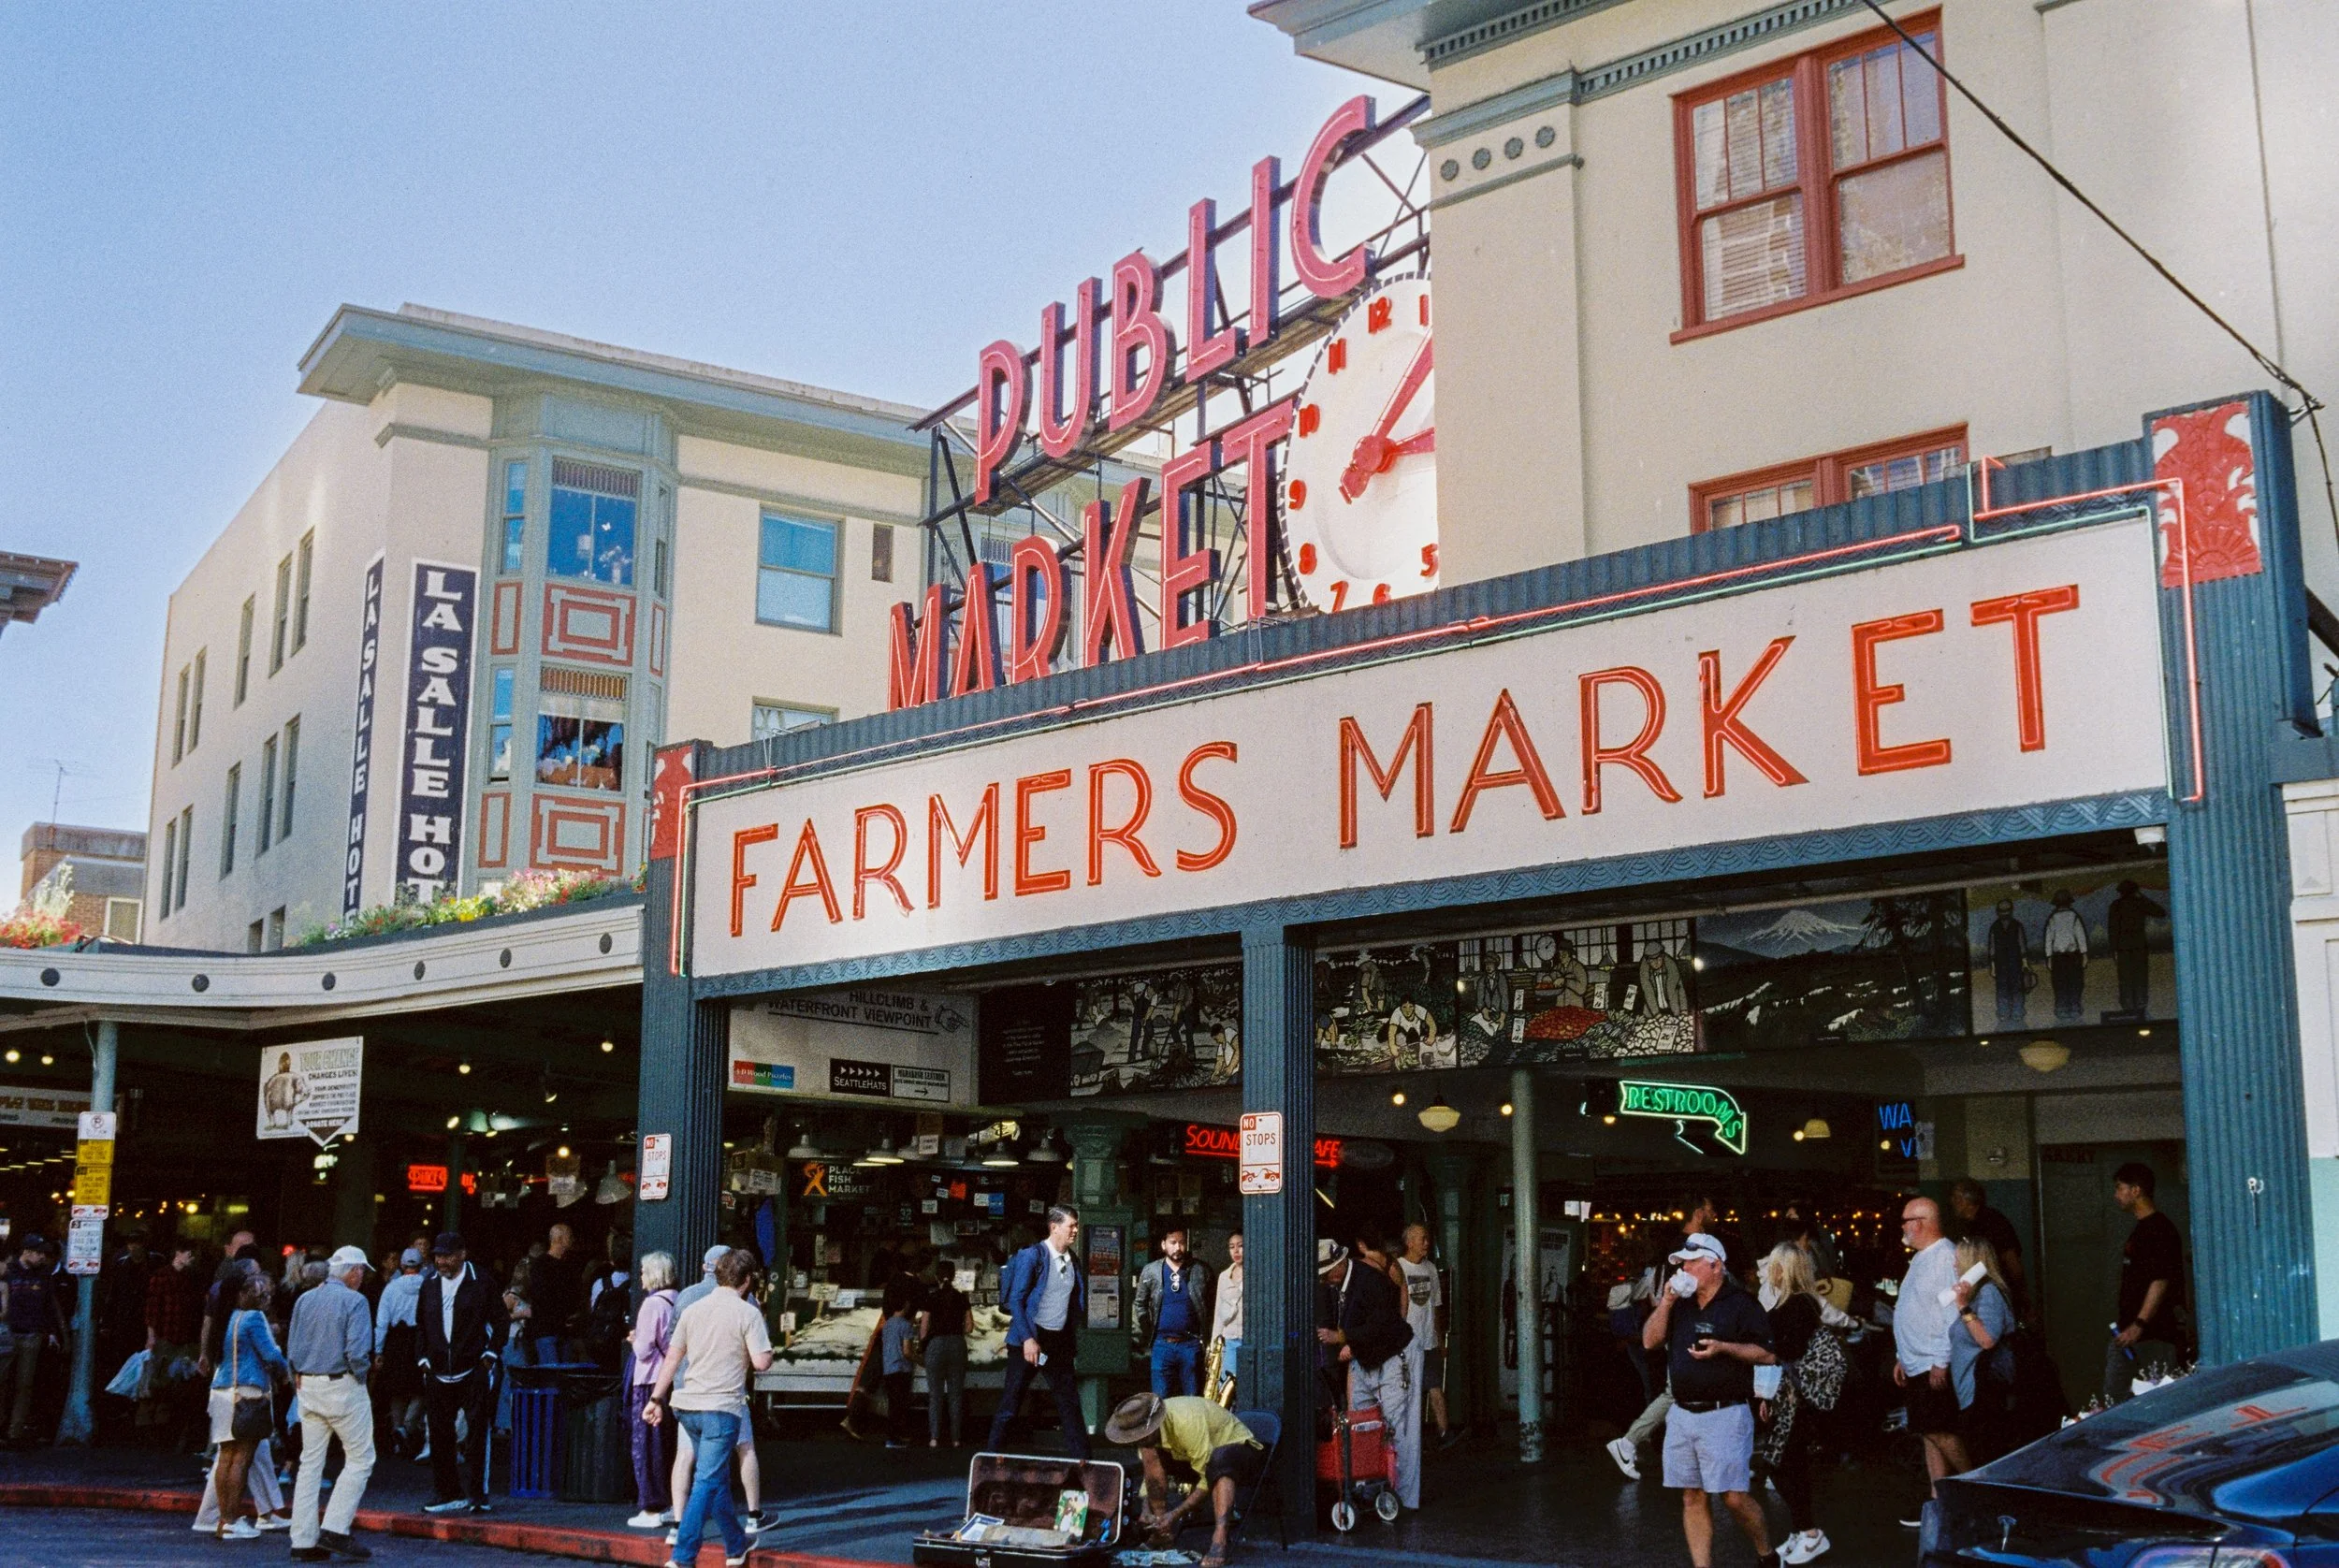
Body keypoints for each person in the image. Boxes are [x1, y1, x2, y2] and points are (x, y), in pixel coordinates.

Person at [1641, 1233, 1778, 1568]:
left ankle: (1767, 1554)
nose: (1683, 1269)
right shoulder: (1681, 1305)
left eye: (1691, 1263)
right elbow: (1648, 1341)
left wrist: (1724, 1347)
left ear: (1715, 1265)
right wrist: (1667, 1302)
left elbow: (1768, 1354)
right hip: (1683, 1412)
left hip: (1725, 1413)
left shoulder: (1741, 1304)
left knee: (1733, 1497)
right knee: (1692, 1496)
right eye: (1681, 1263)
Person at [645, 1249, 773, 1568]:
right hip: (721, 1408)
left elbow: (672, 1358)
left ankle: (735, 1545)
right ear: (746, 1282)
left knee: (713, 1480)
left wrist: (656, 1399)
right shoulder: (749, 1313)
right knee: (706, 1481)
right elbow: (761, 1362)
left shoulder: (692, 1308)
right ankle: (682, 1556)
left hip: (686, 1406)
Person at [1607, 1197, 1735, 1480]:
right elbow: (1688, 1290)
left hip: (1680, 1328)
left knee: (1682, 1390)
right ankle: (1629, 1443)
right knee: (1681, 1390)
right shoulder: (1693, 1247)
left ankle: (1634, 1444)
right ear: (1699, 1213)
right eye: (1712, 1209)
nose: (1716, 1213)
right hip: (1689, 1328)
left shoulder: (1674, 1248)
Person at [667, 1244, 767, 1538]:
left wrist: (659, 1395)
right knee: (742, 1451)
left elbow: (672, 1347)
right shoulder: (747, 1305)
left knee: (686, 1457)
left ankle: (677, 1522)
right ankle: (752, 1515)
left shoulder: (686, 1298)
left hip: (688, 1391)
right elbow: (759, 1355)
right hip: (727, 1394)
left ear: (705, 1267)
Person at [285, 1245, 377, 1562]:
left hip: (307, 1384)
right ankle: (335, 1528)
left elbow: (292, 1347)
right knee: (361, 1458)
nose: (363, 1277)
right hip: (342, 1384)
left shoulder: (304, 1299)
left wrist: (296, 1374)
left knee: (310, 1462)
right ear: (353, 1272)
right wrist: (362, 1376)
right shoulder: (356, 1301)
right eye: (362, 1271)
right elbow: (356, 1352)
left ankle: (303, 1538)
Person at [1754, 1243, 1841, 1567]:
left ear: (1785, 1269)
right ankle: (1801, 1528)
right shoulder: (1800, 1304)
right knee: (1786, 1463)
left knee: (1783, 1463)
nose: (1768, 1272)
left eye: (1774, 1266)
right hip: (1788, 1396)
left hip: (1794, 1398)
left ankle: (1809, 1531)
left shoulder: (1797, 1306)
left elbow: (1783, 1353)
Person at [1109, 1391, 1265, 1568]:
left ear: (1153, 1426)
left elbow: (1207, 1476)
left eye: (1141, 1436)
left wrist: (1175, 1514)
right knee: (1149, 1451)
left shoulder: (1187, 1422)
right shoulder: (1147, 1437)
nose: (1137, 1441)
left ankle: (1219, 1540)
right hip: (1196, 1460)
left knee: (1221, 1459)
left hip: (1242, 1455)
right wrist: (1146, 1509)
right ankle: (1162, 1531)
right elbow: (1150, 1476)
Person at [1315, 1239, 1416, 1508]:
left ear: (1337, 1266)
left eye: (1325, 1275)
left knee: (1397, 1427)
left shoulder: (1370, 1281)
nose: (1324, 1281)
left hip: (1390, 1356)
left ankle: (1403, 1497)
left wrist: (1345, 1337)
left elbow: (1381, 1322)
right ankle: (1368, 1487)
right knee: (1361, 1425)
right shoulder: (1341, 1284)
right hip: (1366, 1357)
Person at [987, 1205, 1090, 1459]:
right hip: (1029, 1339)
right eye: (1071, 1226)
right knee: (1011, 1402)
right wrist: (1028, 1340)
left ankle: (1084, 1461)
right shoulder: (1032, 1256)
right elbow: (1016, 1300)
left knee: (1069, 1402)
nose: (1075, 1230)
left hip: (1057, 1341)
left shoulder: (1072, 1260)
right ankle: (991, 1458)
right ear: (1054, 1227)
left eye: (1077, 1225)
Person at [416, 1232, 505, 1517]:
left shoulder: (481, 1281)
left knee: (478, 1433)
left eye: (447, 1255)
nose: (441, 1261)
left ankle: (478, 1494)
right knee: (440, 1434)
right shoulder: (429, 1284)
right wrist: (423, 1359)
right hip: (438, 1371)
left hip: (472, 1368)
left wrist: (490, 1355)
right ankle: (448, 1491)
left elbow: (500, 1320)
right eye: (438, 1256)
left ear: (462, 1254)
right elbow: (421, 1324)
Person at [1894, 1197, 1969, 1526]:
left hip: (1931, 1363)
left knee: (1941, 1431)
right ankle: (1939, 1499)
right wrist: (1902, 1356)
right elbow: (1917, 1309)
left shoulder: (1945, 1258)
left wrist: (1941, 1359)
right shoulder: (1923, 1258)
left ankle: (1978, 1487)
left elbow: (1951, 1313)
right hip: (1916, 1362)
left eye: (1905, 1221)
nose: (1903, 1228)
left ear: (1920, 1222)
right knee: (1928, 1431)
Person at [207, 1272, 290, 1541]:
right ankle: (231, 1520)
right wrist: (286, 1372)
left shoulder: (226, 1318)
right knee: (242, 1457)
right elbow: (271, 1354)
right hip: (248, 1390)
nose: (265, 1299)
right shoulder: (254, 1318)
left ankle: (225, 1519)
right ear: (243, 1294)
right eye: (260, 1294)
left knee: (226, 1456)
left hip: (221, 1390)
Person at [2106, 1162, 2186, 1404]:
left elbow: (2160, 1281)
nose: (2116, 1195)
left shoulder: (2159, 1230)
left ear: (2136, 1190)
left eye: (2120, 1188)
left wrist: (2139, 1324)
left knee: (2154, 1401)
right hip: (2133, 1334)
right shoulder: (2141, 1230)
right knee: (2118, 1396)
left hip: (2152, 1335)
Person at [1947, 1239, 2017, 1465]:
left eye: (1958, 1259)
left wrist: (1963, 1307)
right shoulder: (1977, 1295)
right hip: (1971, 1392)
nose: (1954, 1265)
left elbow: (1987, 1339)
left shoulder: (1988, 1293)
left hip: (1984, 1392)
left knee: (1987, 1456)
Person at [625, 1252, 680, 1530]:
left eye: (645, 1272)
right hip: (671, 1381)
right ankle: (670, 1502)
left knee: (646, 1444)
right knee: (667, 1444)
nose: (642, 1277)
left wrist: (635, 1338)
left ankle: (651, 1507)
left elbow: (645, 1350)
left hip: (649, 1381)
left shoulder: (651, 1305)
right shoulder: (677, 1300)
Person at [1132, 1226, 1214, 1400]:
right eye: (1173, 1242)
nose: (1178, 1247)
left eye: (1182, 1243)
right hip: (1162, 1344)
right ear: (1164, 1245)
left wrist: (1205, 1338)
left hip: (1190, 1343)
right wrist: (1148, 1331)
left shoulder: (1201, 1270)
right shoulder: (1151, 1270)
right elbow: (1139, 1303)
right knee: (1160, 1398)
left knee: (1192, 1398)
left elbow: (1212, 1304)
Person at [3, 1234, 68, 1447]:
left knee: (25, 1385)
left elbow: (48, 1306)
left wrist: (49, 1331)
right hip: (9, 1334)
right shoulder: (8, 1272)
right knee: (4, 1383)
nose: (43, 1257)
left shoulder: (44, 1275)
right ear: (27, 1252)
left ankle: (15, 1431)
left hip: (31, 1334)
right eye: (39, 1253)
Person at [1397, 1225, 1457, 1450]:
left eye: (1427, 1239)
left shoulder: (1431, 1268)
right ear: (1409, 1242)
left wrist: (1439, 1340)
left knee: (1434, 1388)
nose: (1426, 1243)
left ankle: (1444, 1431)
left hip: (1429, 1340)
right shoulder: (1399, 1268)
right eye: (1422, 1239)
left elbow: (1436, 1307)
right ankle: (1409, 1437)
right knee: (1409, 1391)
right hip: (1408, 1343)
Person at [143, 1241, 208, 1442]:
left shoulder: (190, 1277)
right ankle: (155, 1426)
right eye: (189, 1254)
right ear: (178, 1254)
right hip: (168, 1335)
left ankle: (163, 1425)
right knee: (161, 1381)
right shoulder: (162, 1276)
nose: (192, 1258)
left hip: (182, 1335)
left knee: (175, 1382)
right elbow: (153, 1308)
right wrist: (152, 1336)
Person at [371, 1248, 426, 1459]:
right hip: (419, 1340)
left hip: (395, 1341)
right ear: (421, 1267)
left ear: (402, 1266)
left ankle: (398, 1428)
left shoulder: (391, 1288)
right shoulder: (428, 1287)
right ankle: (408, 1427)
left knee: (396, 1390)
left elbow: (382, 1322)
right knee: (419, 1389)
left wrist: (378, 1350)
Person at [1946, 1179, 2027, 1314]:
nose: (1953, 1201)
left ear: (1969, 1201)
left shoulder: (1994, 1222)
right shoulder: (1962, 1225)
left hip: (1994, 1291)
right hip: (1973, 1292)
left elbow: (2012, 1261)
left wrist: (2022, 1298)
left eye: (1957, 1197)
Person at [918, 1265, 970, 1449]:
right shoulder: (962, 1298)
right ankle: (956, 1439)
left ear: (936, 1276)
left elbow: (924, 1329)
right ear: (954, 1276)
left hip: (935, 1346)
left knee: (935, 1396)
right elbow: (970, 1327)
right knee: (956, 1396)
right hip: (957, 1345)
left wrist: (924, 1347)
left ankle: (934, 1438)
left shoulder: (930, 1298)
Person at [2106, 879, 2165, 1018]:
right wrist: (2143, 897)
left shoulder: (2116, 905)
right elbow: (2160, 912)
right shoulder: (2140, 903)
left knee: (2125, 978)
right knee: (2140, 977)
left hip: (2122, 947)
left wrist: (2113, 949)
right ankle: (2140, 1005)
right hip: (2139, 945)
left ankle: (2127, 1007)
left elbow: (2112, 929)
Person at [530, 1223, 585, 1363]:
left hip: (564, 1331)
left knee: (563, 1376)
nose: (572, 1240)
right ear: (559, 1239)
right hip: (547, 1330)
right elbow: (541, 1299)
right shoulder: (540, 1265)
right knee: (552, 1376)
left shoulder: (569, 1264)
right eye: (569, 1237)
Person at [2042, 889, 2089, 1023]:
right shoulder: (2074, 917)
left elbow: (2048, 940)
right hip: (2073, 956)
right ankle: (2075, 1008)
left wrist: (2049, 957)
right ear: (2069, 902)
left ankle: (2062, 1009)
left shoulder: (2052, 918)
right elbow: (2080, 937)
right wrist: (2084, 954)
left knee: (2060, 984)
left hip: (2058, 958)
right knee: (2075, 983)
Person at [880, 1295, 919, 1450]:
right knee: (900, 1406)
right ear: (905, 1305)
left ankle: (895, 1437)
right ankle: (894, 1439)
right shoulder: (905, 1325)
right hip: (902, 1369)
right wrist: (921, 1360)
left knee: (893, 1405)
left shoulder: (887, 1324)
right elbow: (908, 1352)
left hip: (888, 1368)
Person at [1985, 899, 2030, 1028]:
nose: (2004, 913)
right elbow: (1992, 948)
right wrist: (1993, 966)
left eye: (2006, 911)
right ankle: (2006, 1013)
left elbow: (2022, 945)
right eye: (2003, 911)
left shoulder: (2015, 925)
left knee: (2014, 989)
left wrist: (2025, 963)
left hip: (2014, 963)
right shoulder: (1997, 927)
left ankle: (2015, 1012)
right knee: (2004, 990)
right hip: (2002, 964)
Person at [1210, 1233, 1243, 1401]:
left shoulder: (1256, 1274)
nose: (1236, 1251)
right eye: (1232, 1247)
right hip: (1230, 1341)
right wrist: (1214, 1343)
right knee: (1225, 1392)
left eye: (1240, 1245)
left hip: (1250, 1341)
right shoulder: (1224, 1276)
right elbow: (1218, 1313)